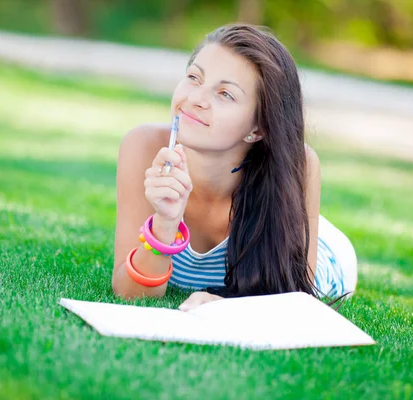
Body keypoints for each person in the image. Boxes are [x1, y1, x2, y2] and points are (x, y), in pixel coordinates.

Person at [111, 24, 357, 311]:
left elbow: (295, 302)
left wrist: (227, 305)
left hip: (315, 245)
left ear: (258, 128)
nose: (196, 99)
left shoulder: (298, 164)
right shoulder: (143, 146)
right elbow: (130, 294)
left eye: (225, 94)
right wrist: (165, 221)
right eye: (194, 77)